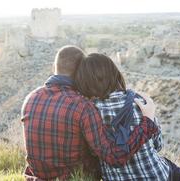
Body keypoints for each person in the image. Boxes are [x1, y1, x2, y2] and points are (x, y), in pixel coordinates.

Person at [21, 45, 159, 180]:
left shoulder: (30, 98)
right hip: (77, 177)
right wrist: (147, 123)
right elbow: (114, 158)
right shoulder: (82, 106)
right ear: (83, 71)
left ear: (55, 67)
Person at [74, 53, 180, 181]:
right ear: (114, 74)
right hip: (157, 175)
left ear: (85, 82)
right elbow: (158, 144)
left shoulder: (89, 112)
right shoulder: (140, 102)